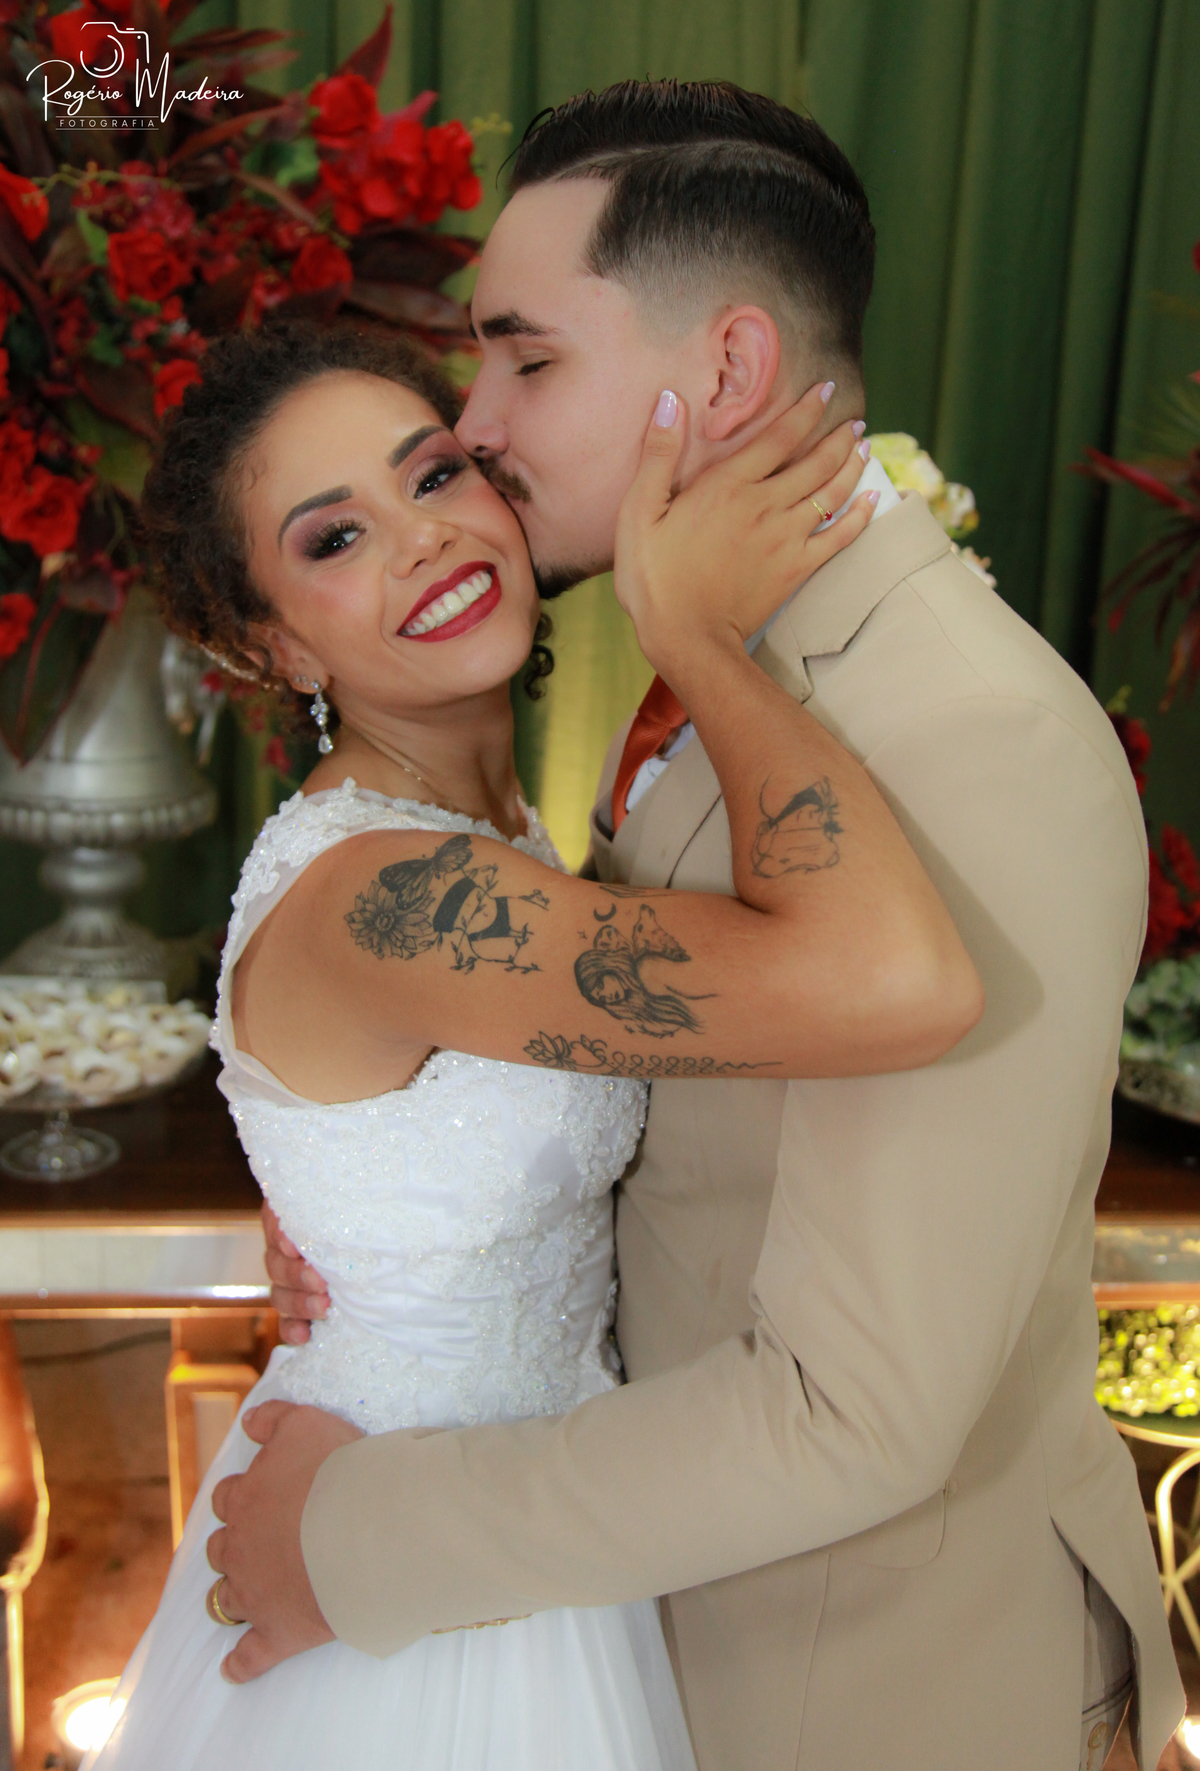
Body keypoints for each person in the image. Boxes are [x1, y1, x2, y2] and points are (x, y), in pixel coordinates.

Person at [252, 82, 1183, 1771]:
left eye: (528, 363)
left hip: (868, 1686)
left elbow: (858, 1412)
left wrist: (354, 1541)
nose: (480, 426)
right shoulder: (734, 649)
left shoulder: (967, 741)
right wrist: (391, 1220)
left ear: (731, 371)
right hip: (662, 1633)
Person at [86, 319, 979, 1771]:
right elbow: (897, 984)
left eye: (434, 474)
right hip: (408, 1555)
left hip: (532, 1509)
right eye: (335, 538)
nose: (424, 539)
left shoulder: (490, 831)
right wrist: (691, 632)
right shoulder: (389, 898)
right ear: (270, 643)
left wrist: (340, 1217)